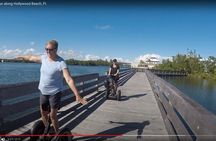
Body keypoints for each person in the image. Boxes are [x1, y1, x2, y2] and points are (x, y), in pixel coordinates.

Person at [16, 40, 87, 133]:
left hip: (55, 93)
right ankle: (47, 129)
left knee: (53, 115)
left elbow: (69, 79)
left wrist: (77, 95)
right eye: (46, 49)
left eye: (50, 49)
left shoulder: (61, 62)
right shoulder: (43, 58)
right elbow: (30, 57)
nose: (48, 51)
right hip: (43, 92)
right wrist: (20, 56)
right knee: (43, 113)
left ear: (56, 49)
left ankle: (57, 133)